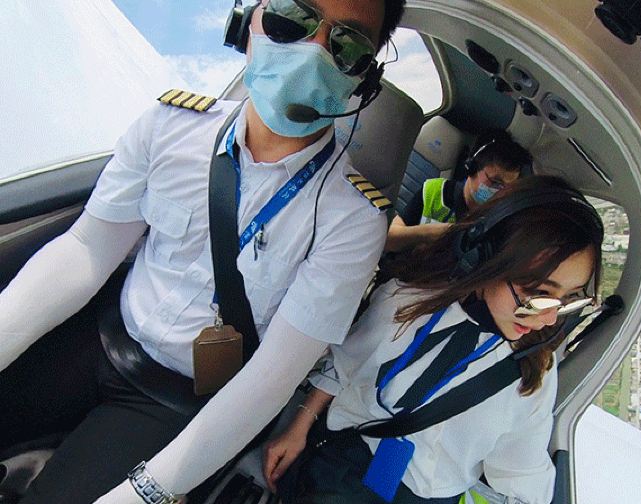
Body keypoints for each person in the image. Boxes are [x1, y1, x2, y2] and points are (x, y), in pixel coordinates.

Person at [0, 0, 405, 502]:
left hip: (177, 401)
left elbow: (271, 377)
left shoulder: (354, 220)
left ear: (365, 77)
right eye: (292, 16)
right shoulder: (169, 125)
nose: (314, 50)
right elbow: (86, 249)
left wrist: (144, 493)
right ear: (248, 19)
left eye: (347, 43)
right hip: (103, 335)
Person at [264, 176, 605, 504]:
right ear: (485, 256)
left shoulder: (535, 367)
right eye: (538, 293)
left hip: (431, 495)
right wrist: (298, 428)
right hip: (351, 459)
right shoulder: (405, 302)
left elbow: (521, 472)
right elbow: (344, 366)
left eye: (568, 299)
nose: (549, 318)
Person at [385, 129, 532, 252]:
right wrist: (424, 234)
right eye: (495, 182)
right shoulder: (435, 191)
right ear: (472, 167)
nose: (500, 191)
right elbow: (388, 239)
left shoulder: (498, 220)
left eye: (507, 187)